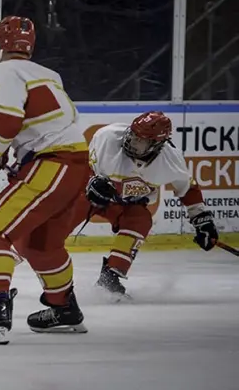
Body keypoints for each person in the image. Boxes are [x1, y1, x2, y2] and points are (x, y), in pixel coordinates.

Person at [0, 15, 90, 345]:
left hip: (53, 163)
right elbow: (58, 118)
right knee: (40, 245)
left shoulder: (4, 71)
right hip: (74, 165)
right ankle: (64, 309)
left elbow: (8, 119)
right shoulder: (48, 74)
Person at [71, 111, 218, 298]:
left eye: (140, 141)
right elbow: (80, 166)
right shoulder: (107, 137)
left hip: (123, 205)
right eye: (132, 135)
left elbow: (188, 189)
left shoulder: (171, 161)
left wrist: (202, 221)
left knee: (140, 220)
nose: (131, 142)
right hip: (86, 196)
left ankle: (110, 276)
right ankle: (22, 254)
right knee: (53, 223)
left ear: (157, 145)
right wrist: (90, 181)